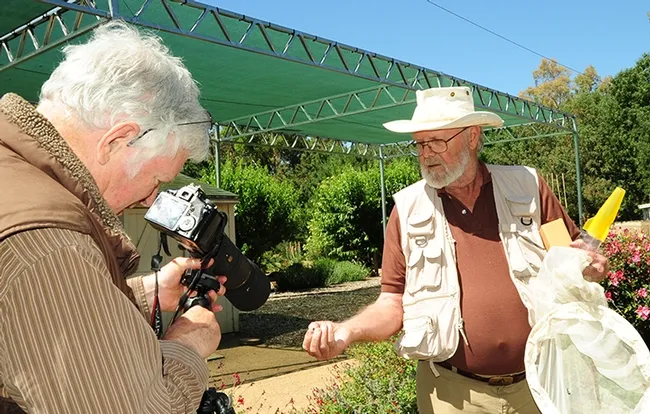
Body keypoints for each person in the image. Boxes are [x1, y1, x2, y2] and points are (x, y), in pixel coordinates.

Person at [302, 86, 609, 414]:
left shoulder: (529, 188)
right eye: (420, 144)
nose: (426, 154)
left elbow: (568, 259)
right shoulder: (406, 211)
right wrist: (346, 331)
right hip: (450, 394)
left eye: (437, 142)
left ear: (473, 137)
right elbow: (392, 303)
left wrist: (588, 268)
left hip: (539, 384)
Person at [0, 21, 225, 413]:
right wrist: (188, 343)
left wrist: (145, 293)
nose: (150, 198)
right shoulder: (52, 246)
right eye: (156, 178)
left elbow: (38, 320)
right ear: (118, 140)